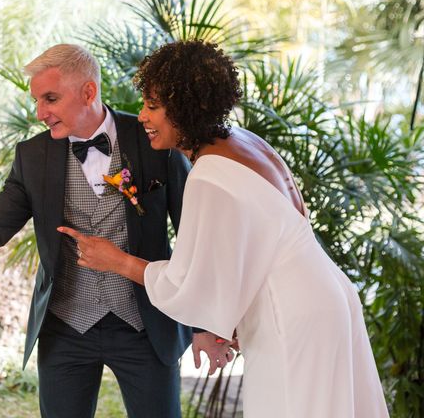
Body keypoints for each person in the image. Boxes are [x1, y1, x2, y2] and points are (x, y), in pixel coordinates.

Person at [59, 40, 390, 417]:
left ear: (185, 106)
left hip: (290, 314)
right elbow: (242, 254)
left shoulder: (209, 174)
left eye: (153, 106)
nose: (143, 116)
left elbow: (189, 282)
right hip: (327, 296)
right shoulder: (245, 143)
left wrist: (118, 261)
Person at [0, 44, 193, 418]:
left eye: (50, 98)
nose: (40, 113)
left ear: (88, 92)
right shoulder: (33, 155)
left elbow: (193, 234)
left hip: (146, 324)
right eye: (37, 100)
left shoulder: (155, 141)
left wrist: (205, 325)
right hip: (66, 327)